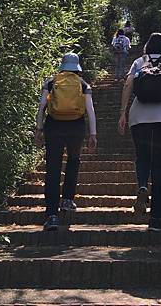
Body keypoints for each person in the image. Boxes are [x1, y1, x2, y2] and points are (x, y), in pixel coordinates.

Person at [117, 32, 161, 231]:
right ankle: (157, 220)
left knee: (142, 156)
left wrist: (122, 113)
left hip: (139, 117)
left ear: (147, 47)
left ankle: (142, 185)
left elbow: (128, 85)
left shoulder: (139, 62)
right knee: (160, 165)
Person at [34, 53, 97, 231]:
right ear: (77, 67)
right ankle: (67, 199)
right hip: (76, 126)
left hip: (53, 126)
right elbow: (90, 110)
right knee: (73, 160)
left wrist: (39, 129)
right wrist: (93, 134)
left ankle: (51, 215)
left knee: (53, 167)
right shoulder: (83, 85)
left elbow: (41, 107)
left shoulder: (51, 82)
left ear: (62, 66)